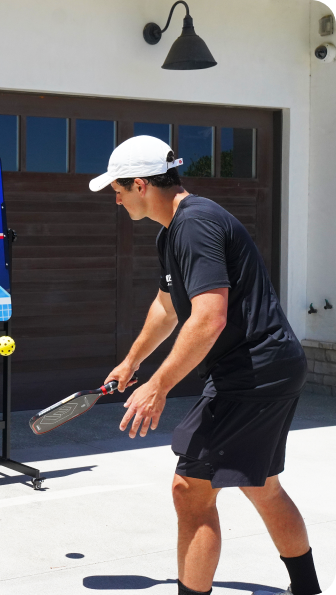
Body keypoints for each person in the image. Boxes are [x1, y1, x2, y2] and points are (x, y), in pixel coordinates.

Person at [90, 136, 322, 595]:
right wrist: (132, 360)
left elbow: (209, 317)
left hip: (251, 371)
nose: (114, 198)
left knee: (189, 490)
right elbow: (167, 306)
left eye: (118, 189)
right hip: (268, 366)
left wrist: (157, 386)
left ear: (141, 184)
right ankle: (308, 590)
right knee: (262, 486)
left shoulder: (194, 224)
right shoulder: (172, 231)